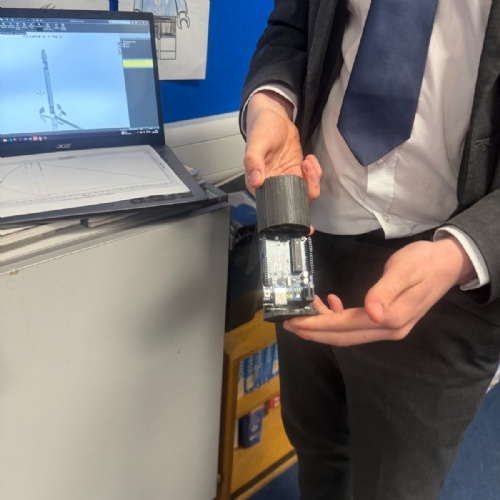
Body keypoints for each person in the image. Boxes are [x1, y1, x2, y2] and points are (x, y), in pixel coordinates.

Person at [240, 1, 500, 499]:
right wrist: (270, 106)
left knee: (392, 487)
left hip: (449, 274)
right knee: (314, 446)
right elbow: (291, 28)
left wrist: (461, 253)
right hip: (309, 223)